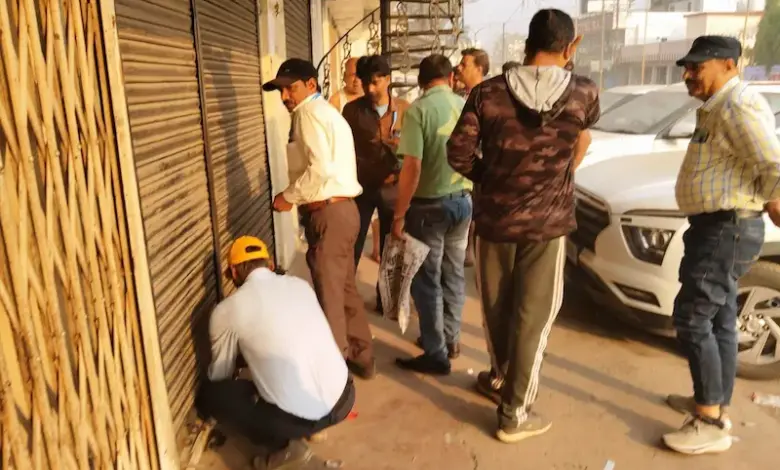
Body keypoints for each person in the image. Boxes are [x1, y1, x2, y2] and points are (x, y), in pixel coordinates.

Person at [447, 9, 599, 443]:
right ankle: (514, 412)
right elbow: (582, 136)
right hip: (546, 227)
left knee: (497, 308)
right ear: (568, 46)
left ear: (527, 44)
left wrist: (494, 180)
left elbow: (458, 153)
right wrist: (558, 174)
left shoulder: (487, 93)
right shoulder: (584, 92)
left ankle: (501, 378)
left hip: (495, 222)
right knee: (534, 317)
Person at [662, 35, 780, 455]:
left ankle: (709, 420)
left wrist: (776, 199)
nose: (688, 75)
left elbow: (773, 161)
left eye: (697, 67)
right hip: (719, 227)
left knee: (693, 318)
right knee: (720, 320)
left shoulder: (737, 104)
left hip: (726, 228)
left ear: (729, 64)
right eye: (687, 67)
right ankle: (712, 400)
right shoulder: (719, 106)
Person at [197, 236, 355, 470]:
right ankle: (314, 425)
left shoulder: (227, 310)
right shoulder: (301, 285)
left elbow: (221, 373)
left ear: (233, 272)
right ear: (270, 264)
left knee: (213, 395)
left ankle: (287, 447)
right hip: (344, 397)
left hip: (301, 418)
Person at [263, 58, 376, 379]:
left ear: (311, 85)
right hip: (343, 211)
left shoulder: (308, 114)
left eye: (291, 88)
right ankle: (362, 356)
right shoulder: (326, 113)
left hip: (329, 213)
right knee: (345, 290)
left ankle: (334, 377)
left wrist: (288, 197)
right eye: (281, 91)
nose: (285, 96)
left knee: (330, 297)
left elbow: (320, 169)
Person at [392, 54, 473, 375]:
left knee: (427, 280)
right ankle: (451, 339)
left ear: (420, 81)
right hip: (463, 203)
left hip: (429, 209)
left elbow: (412, 167)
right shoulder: (465, 106)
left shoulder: (418, 111)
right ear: (450, 78)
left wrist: (399, 215)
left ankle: (435, 352)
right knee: (454, 274)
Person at [342, 55, 410, 310]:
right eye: (365, 83)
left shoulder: (405, 110)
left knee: (392, 246)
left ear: (388, 79)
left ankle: (387, 301)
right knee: (353, 243)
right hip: (361, 188)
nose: (370, 89)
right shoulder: (351, 111)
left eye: (375, 82)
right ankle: (345, 298)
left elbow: (415, 151)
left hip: (394, 187)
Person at [455, 48, 490, 268]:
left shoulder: (489, 97)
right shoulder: (460, 97)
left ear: (479, 68)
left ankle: (471, 248)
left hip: (477, 166)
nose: (459, 68)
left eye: (464, 64)